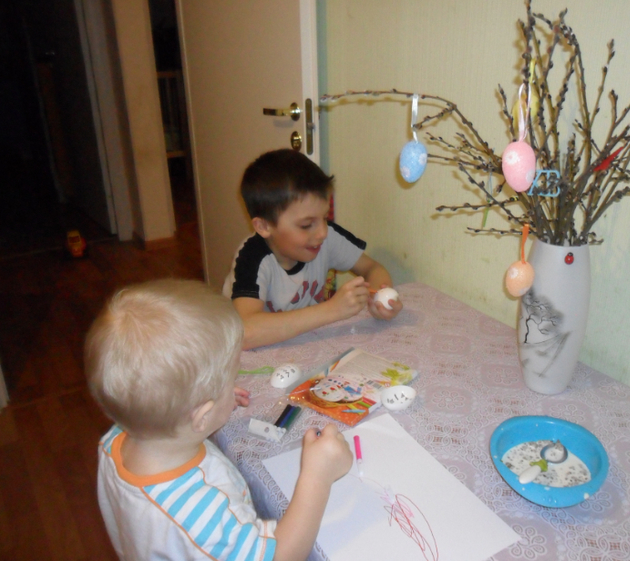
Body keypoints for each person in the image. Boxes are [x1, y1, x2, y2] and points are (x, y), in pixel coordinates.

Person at [85, 279, 353, 561]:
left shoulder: (113, 442)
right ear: (201, 416)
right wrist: (317, 476)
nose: (234, 382)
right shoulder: (202, 514)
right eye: (232, 378)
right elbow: (280, 556)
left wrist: (212, 403)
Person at [222, 149, 403, 349]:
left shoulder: (326, 237)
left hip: (302, 347)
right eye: (306, 225)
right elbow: (245, 333)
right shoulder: (251, 257)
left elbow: (373, 268)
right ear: (264, 226)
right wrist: (332, 310)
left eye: (325, 218)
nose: (322, 233)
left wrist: (380, 299)